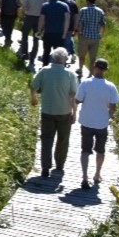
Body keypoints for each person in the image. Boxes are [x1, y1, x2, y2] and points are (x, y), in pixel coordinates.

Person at [30, 47, 79, 179]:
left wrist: (34, 98)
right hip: (64, 112)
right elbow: (74, 96)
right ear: (65, 59)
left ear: (53, 57)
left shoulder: (44, 71)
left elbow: (33, 86)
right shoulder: (70, 74)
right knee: (63, 140)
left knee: (46, 139)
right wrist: (75, 112)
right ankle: (59, 165)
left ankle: (45, 167)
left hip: (47, 111)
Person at [75, 58, 119, 190]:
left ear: (94, 68)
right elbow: (113, 106)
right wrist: (109, 117)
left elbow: (77, 100)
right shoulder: (110, 86)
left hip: (86, 121)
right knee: (100, 150)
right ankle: (97, 174)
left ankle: (84, 177)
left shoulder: (85, 83)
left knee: (85, 150)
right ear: (105, 71)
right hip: (101, 123)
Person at [38, 0, 73, 67]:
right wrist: (65, 33)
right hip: (60, 33)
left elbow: (42, 20)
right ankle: (60, 68)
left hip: (48, 33)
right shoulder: (64, 6)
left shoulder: (45, 6)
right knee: (59, 54)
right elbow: (67, 20)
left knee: (46, 51)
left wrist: (39, 31)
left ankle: (45, 67)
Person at [74, 0, 106, 78]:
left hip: (84, 35)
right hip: (95, 37)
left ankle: (80, 69)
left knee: (82, 55)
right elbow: (103, 24)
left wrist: (78, 32)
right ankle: (90, 73)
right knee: (93, 57)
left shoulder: (83, 10)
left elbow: (80, 23)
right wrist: (101, 34)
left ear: (87, 1)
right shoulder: (100, 11)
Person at [20, 0, 47, 65]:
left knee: (25, 36)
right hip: (39, 19)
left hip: (29, 17)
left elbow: (24, 7)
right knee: (36, 39)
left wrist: (24, 14)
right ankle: (32, 58)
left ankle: (25, 53)